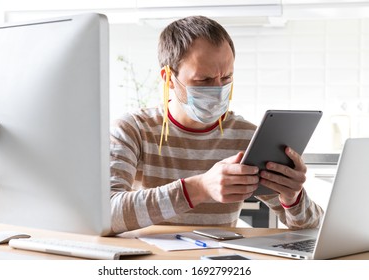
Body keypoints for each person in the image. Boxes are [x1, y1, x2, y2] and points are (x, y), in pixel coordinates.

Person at [109, 15, 323, 235]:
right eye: (203, 80)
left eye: (227, 78)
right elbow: (106, 214)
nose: (218, 88)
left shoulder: (247, 137)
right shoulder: (131, 130)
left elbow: (311, 229)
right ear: (168, 78)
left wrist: (293, 198)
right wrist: (199, 188)